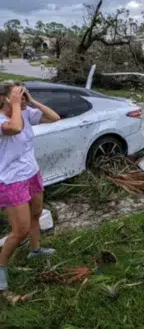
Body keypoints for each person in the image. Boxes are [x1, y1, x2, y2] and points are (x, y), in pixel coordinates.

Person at [0, 82, 60, 291]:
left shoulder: (25, 112)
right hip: (10, 181)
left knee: (36, 214)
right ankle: (1, 267)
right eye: (18, 94)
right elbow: (14, 127)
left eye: (24, 94)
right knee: (20, 230)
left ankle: (35, 251)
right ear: (5, 99)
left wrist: (32, 101)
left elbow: (54, 117)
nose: (22, 98)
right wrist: (15, 105)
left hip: (31, 173)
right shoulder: (3, 120)